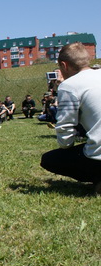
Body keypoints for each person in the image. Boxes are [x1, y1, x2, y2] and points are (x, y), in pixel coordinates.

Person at [41, 42, 101, 195]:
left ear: (64, 65)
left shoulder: (69, 85)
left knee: (49, 159)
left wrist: (67, 147)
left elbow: (65, 129)